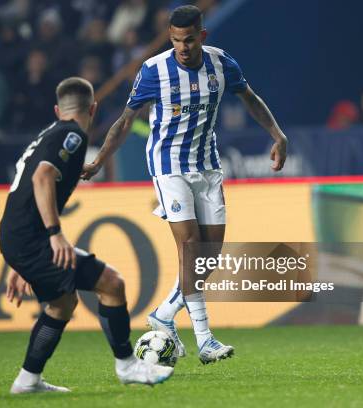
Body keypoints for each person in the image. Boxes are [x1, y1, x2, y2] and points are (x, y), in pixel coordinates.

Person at [82, 5, 288, 364]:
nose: (182, 47)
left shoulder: (222, 64)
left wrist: (278, 135)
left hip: (207, 167)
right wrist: (100, 159)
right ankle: (205, 340)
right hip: (168, 167)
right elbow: (125, 121)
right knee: (191, 247)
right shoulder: (153, 71)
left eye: (189, 40)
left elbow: (250, 99)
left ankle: (164, 314)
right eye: (176, 40)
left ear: (202, 36)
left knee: (208, 259)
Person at [0, 77, 174, 394]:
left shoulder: (47, 135)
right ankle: (128, 365)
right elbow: (41, 178)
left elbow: (27, 186)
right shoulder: (73, 135)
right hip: (32, 239)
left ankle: (27, 380)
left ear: (57, 109)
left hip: (18, 237)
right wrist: (54, 234)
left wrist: (20, 260)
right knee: (112, 283)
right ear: (93, 108)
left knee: (61, 304)